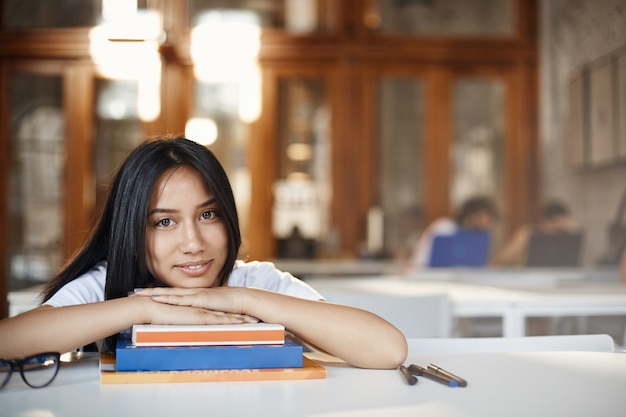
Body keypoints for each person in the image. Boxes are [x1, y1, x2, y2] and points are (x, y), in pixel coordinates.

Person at [0, 136, 407, 369]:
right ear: (131, 230)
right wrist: (145, 309)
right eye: (164, 222)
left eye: (208, 214)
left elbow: (388, 349)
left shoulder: (255, 282)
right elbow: (7, 341)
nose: (193, 242)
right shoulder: (106, 286)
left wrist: (241, 298)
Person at [408, 195, 498, 269]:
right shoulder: (444, 227)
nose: (484, 225)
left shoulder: (480, 239)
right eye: (480, 218)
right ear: (470, 215)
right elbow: (420, 260)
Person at [493, 200, 579, 266]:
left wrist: (573, 230)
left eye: (558, 228)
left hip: (559, 278)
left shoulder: (567, 233)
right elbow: (502, 259)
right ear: (543, 222)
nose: (554, 232)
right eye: (552, 226)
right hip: (530, 278)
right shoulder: (529, 232)